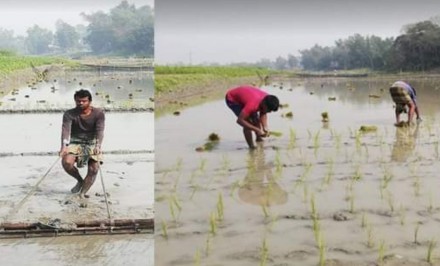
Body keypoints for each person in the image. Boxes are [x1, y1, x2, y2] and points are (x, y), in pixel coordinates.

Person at [59, 89, 105, 198]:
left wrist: (98, 145)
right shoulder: (69, 114)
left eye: (84, 101)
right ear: (75, 101)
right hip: (75, 141)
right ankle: (80, 181)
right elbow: (65, 130)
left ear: (90, 101)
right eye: (78, 101)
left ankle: (82, 193)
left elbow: (100, 130)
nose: (81, 103)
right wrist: (64, 146)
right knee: (66, 162)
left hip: (92, 141)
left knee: (94, 168)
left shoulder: (98, 113)